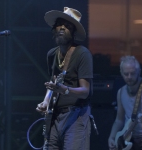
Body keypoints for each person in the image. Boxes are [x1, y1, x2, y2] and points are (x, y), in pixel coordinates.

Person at [36, 7, 93, 150]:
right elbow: (53, 83)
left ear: (73, 32)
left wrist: (65, 90)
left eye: (67, 26)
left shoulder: (82, 54)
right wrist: (45, 102)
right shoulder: (51, 54)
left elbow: (85, 91)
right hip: (55, 115)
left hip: (76, 115)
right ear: (54, 29)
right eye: (59, 25)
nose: (62, 28)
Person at [108, 56, 142, 150]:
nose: (129, 77)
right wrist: (112, 137)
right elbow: (119, 120)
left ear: (139, 72)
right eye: (126, 74)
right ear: (121, 73)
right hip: (128, 138)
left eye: (132, 73)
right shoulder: (121, 92)